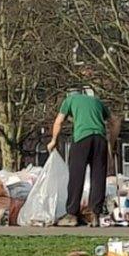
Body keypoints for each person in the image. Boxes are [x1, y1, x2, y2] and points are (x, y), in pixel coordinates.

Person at [47, 92, 116, 227]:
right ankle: (95, 214)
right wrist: (111, 144)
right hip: (100, 139)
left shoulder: (69, 100)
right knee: (98, 176)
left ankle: (71, 214)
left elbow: (59, 121)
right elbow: (114, 122)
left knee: (76, 175)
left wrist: (54, 140)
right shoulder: (98, 102)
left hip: (82, 138)